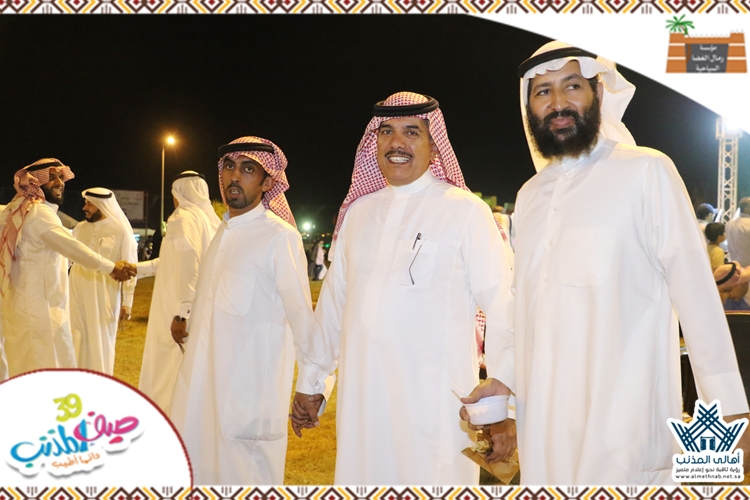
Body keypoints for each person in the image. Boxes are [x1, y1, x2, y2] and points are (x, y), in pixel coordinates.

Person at [463, 41, 750, 485]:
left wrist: (731, 409)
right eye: (543, 92)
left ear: (598, 93)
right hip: (546, 428)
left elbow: (696, 297)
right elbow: (527, 311)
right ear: (528, 107)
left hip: (625, 424)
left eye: (572, 86)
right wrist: (504, 383)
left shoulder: (647, 171)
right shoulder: (531, 196)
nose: (558, 103)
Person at [292, 92, 514, 485]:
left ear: (434, 145)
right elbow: (333, 308)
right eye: (386, 132)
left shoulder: (465, 211)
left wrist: (503, 407)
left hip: (434, 409)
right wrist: (312, 383)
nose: (397, 143)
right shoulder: (359, 214)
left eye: (412, 132)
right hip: (363, 404)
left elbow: (505, 309)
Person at [169, 137, 328, 484]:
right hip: (200, 392)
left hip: (248, 399)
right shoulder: (222, 233)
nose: (234, 176)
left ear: (268, 181)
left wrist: (310, 386)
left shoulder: (279, 237)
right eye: (229, 167)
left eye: (248, 169)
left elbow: (303, 321)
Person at [0, 159, 133, 378]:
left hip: (30, 308)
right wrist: (111, 267)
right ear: (34, 183)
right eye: (51, 177)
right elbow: (74, 249)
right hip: (40, 311)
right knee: (43, 372)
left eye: (60, 177)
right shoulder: (38, 214)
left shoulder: (19, 211)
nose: (59, 183)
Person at [133, 171, 221, 414]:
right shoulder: (212, 221)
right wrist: (137, 269)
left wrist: (182, 313)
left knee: (169, 368)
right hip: (200, 307)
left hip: (177, 308)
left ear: (179, 193)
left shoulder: (182, 218)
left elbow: (189, 266)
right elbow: (173, 261)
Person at [69, 188, 138, 375]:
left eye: (89, 204)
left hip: (104, 294)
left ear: (102, 205)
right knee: (77, 336)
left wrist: (127, 302)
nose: (85, 208)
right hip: (76, 292)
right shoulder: (80, 229)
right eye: (85, 203)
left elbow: (130, 268)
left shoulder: (120, 230)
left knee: (101, 340)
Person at [726, 197, 750, 267]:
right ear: (746, 209)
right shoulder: (748, 224)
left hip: (734, 266)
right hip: (747, 267)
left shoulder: (729, 224)